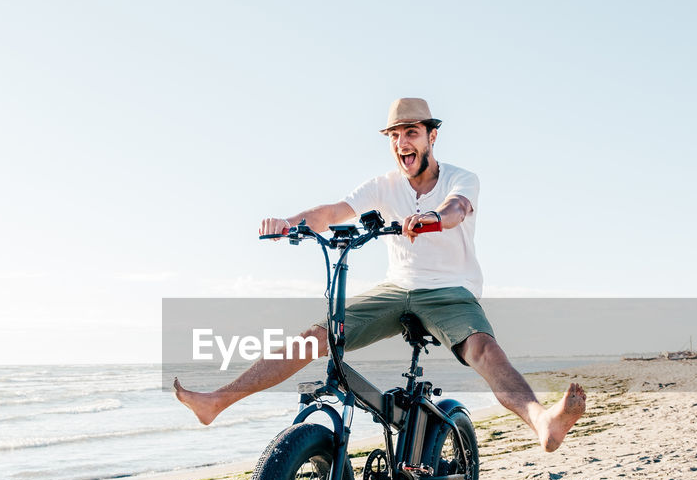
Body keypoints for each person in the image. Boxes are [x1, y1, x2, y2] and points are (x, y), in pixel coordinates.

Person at [174, 98, 587, 452]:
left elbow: (456, 209)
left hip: (449, 292)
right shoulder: (383, 185)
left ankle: (542, 421)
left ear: (431, 137)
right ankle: (217, 402)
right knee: (317, 338)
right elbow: (331, 213)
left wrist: (432, 217)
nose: (402, 143)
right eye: (394, 135)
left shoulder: (461, 179)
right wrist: (288, 222)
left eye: (410, 132)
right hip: (396, 289)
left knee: (483, 350)